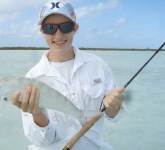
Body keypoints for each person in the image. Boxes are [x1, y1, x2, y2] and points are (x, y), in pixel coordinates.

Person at [12, 0, 126, 149]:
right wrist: (37, 115)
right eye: (50, 28)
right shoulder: (33, 76)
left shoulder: (98, 64)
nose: (58, 35)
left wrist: (113, 106)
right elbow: (41, 142)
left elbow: (114, 116)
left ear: (75, 28)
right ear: (42, 31)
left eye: (65, 27)